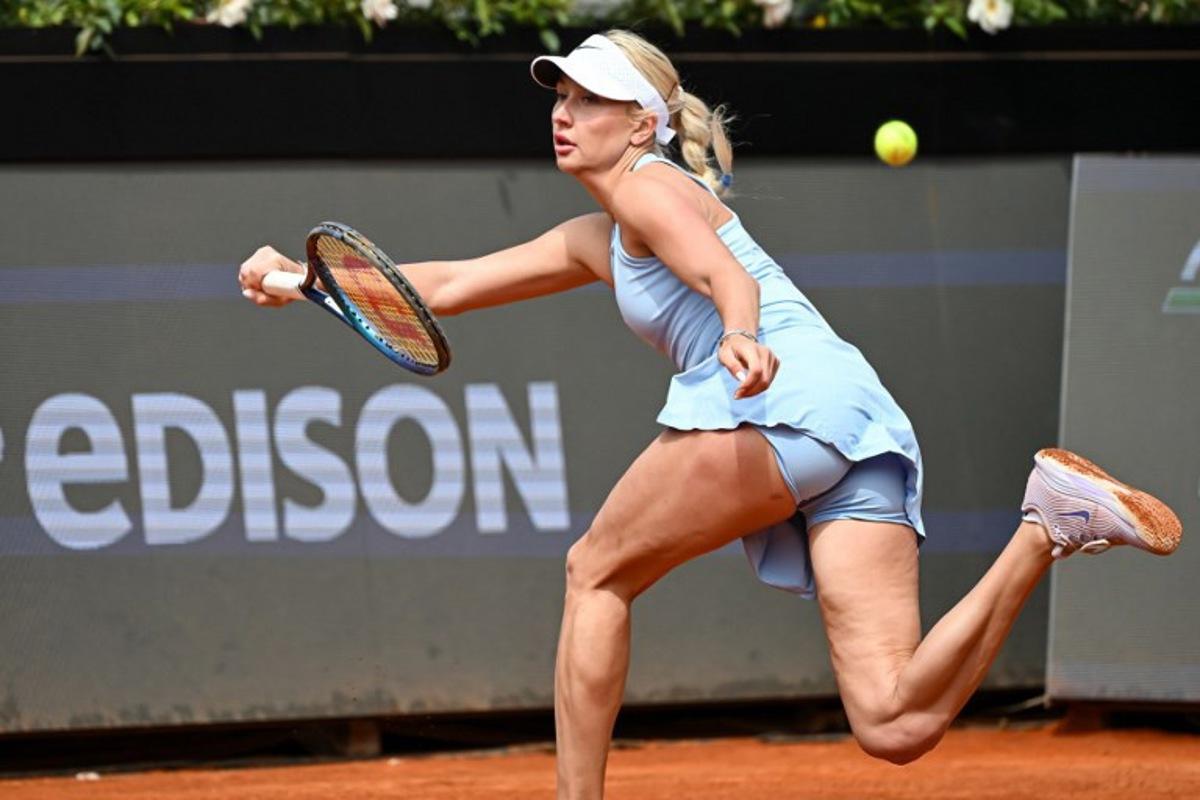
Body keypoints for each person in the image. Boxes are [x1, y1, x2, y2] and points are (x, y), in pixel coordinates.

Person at [238, 29, 1183, 800]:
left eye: (589, 101)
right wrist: (294, 279)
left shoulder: (654, 190)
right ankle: (1046, 522)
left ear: (641, 123)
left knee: (594, 574)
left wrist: (737, 333)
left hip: (777, 397)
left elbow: (721, 273)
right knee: (895, 722)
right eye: (559, 98)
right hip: (856, 415)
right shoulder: (595, 236)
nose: (565, 116)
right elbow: (436, 285)